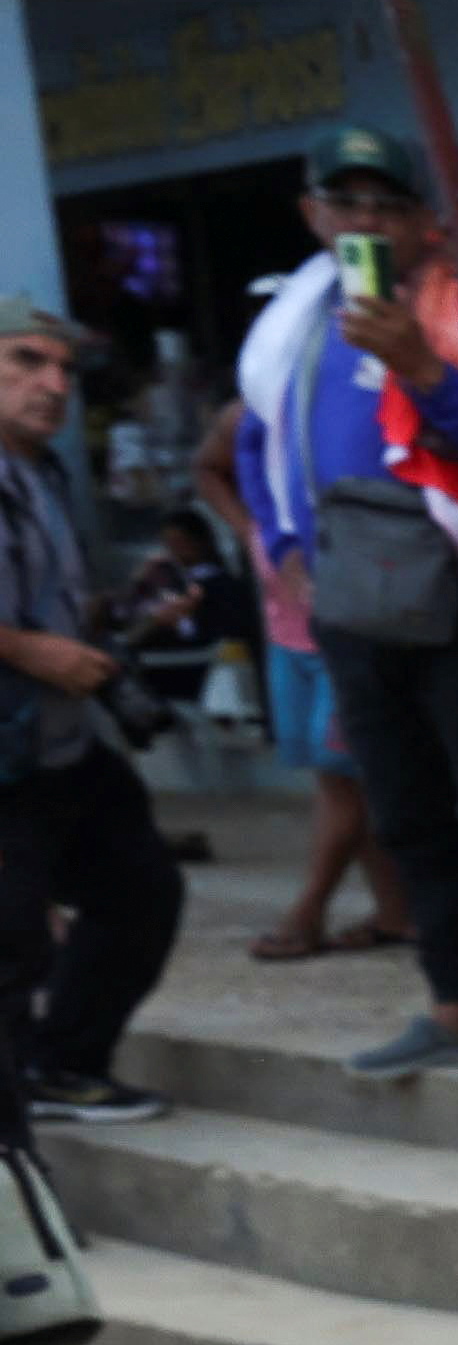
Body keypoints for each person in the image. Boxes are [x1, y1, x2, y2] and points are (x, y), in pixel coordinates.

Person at [231, 122, 458, 1084]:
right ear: (315, 217)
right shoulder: (296, 340)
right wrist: (287, 548)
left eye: (389, 207)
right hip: (354, 610)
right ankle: (454, 1005)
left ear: (430, 225)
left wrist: (425, 371)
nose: (368, 224)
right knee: (408, 816)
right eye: (348, 206)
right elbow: (263, 452)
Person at [0, 297, 188, 1125]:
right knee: (11, 950)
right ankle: (19, 1195)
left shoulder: (40, 470)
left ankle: (64, 1064)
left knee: (139, 887)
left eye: (65, 370)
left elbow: (48, 606)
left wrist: (119, 610)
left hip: (61, 745)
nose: (53, 385)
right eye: (26, 363)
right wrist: (28, 650)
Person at [189, 396, 406, 963]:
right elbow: (207, 467)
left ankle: (309, 910)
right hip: (288, 631)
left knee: (344, 778)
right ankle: (396, 910)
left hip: (351, 625)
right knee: (342, 780)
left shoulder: (348, 404)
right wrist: (249, 530)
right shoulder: (250, 411)